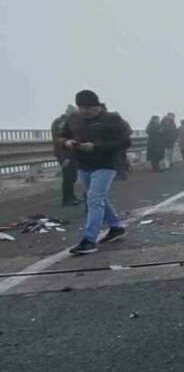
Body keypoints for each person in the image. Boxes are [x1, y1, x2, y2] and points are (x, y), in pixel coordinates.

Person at [58, 90, 132, 255]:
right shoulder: (74, 119)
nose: (85, 111)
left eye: (89, 108)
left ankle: (89, 240)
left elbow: (125, 142)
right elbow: (62, 136)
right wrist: (68, 142)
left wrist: (96, 146)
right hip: (84, 164)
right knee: (97, 197)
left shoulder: (112, 119)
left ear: (97, 106)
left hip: (107, 164)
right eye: (82, 108)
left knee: (94, 199)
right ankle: (116, 227)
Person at [51, 105, 81, 206]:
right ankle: (67, 199)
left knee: (72, 176)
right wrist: (65, 157)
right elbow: (59, 141)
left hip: (69, 153)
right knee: (68, 176)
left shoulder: (62, 121)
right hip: (64, 153)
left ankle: (71, 196)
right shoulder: (62, 123)